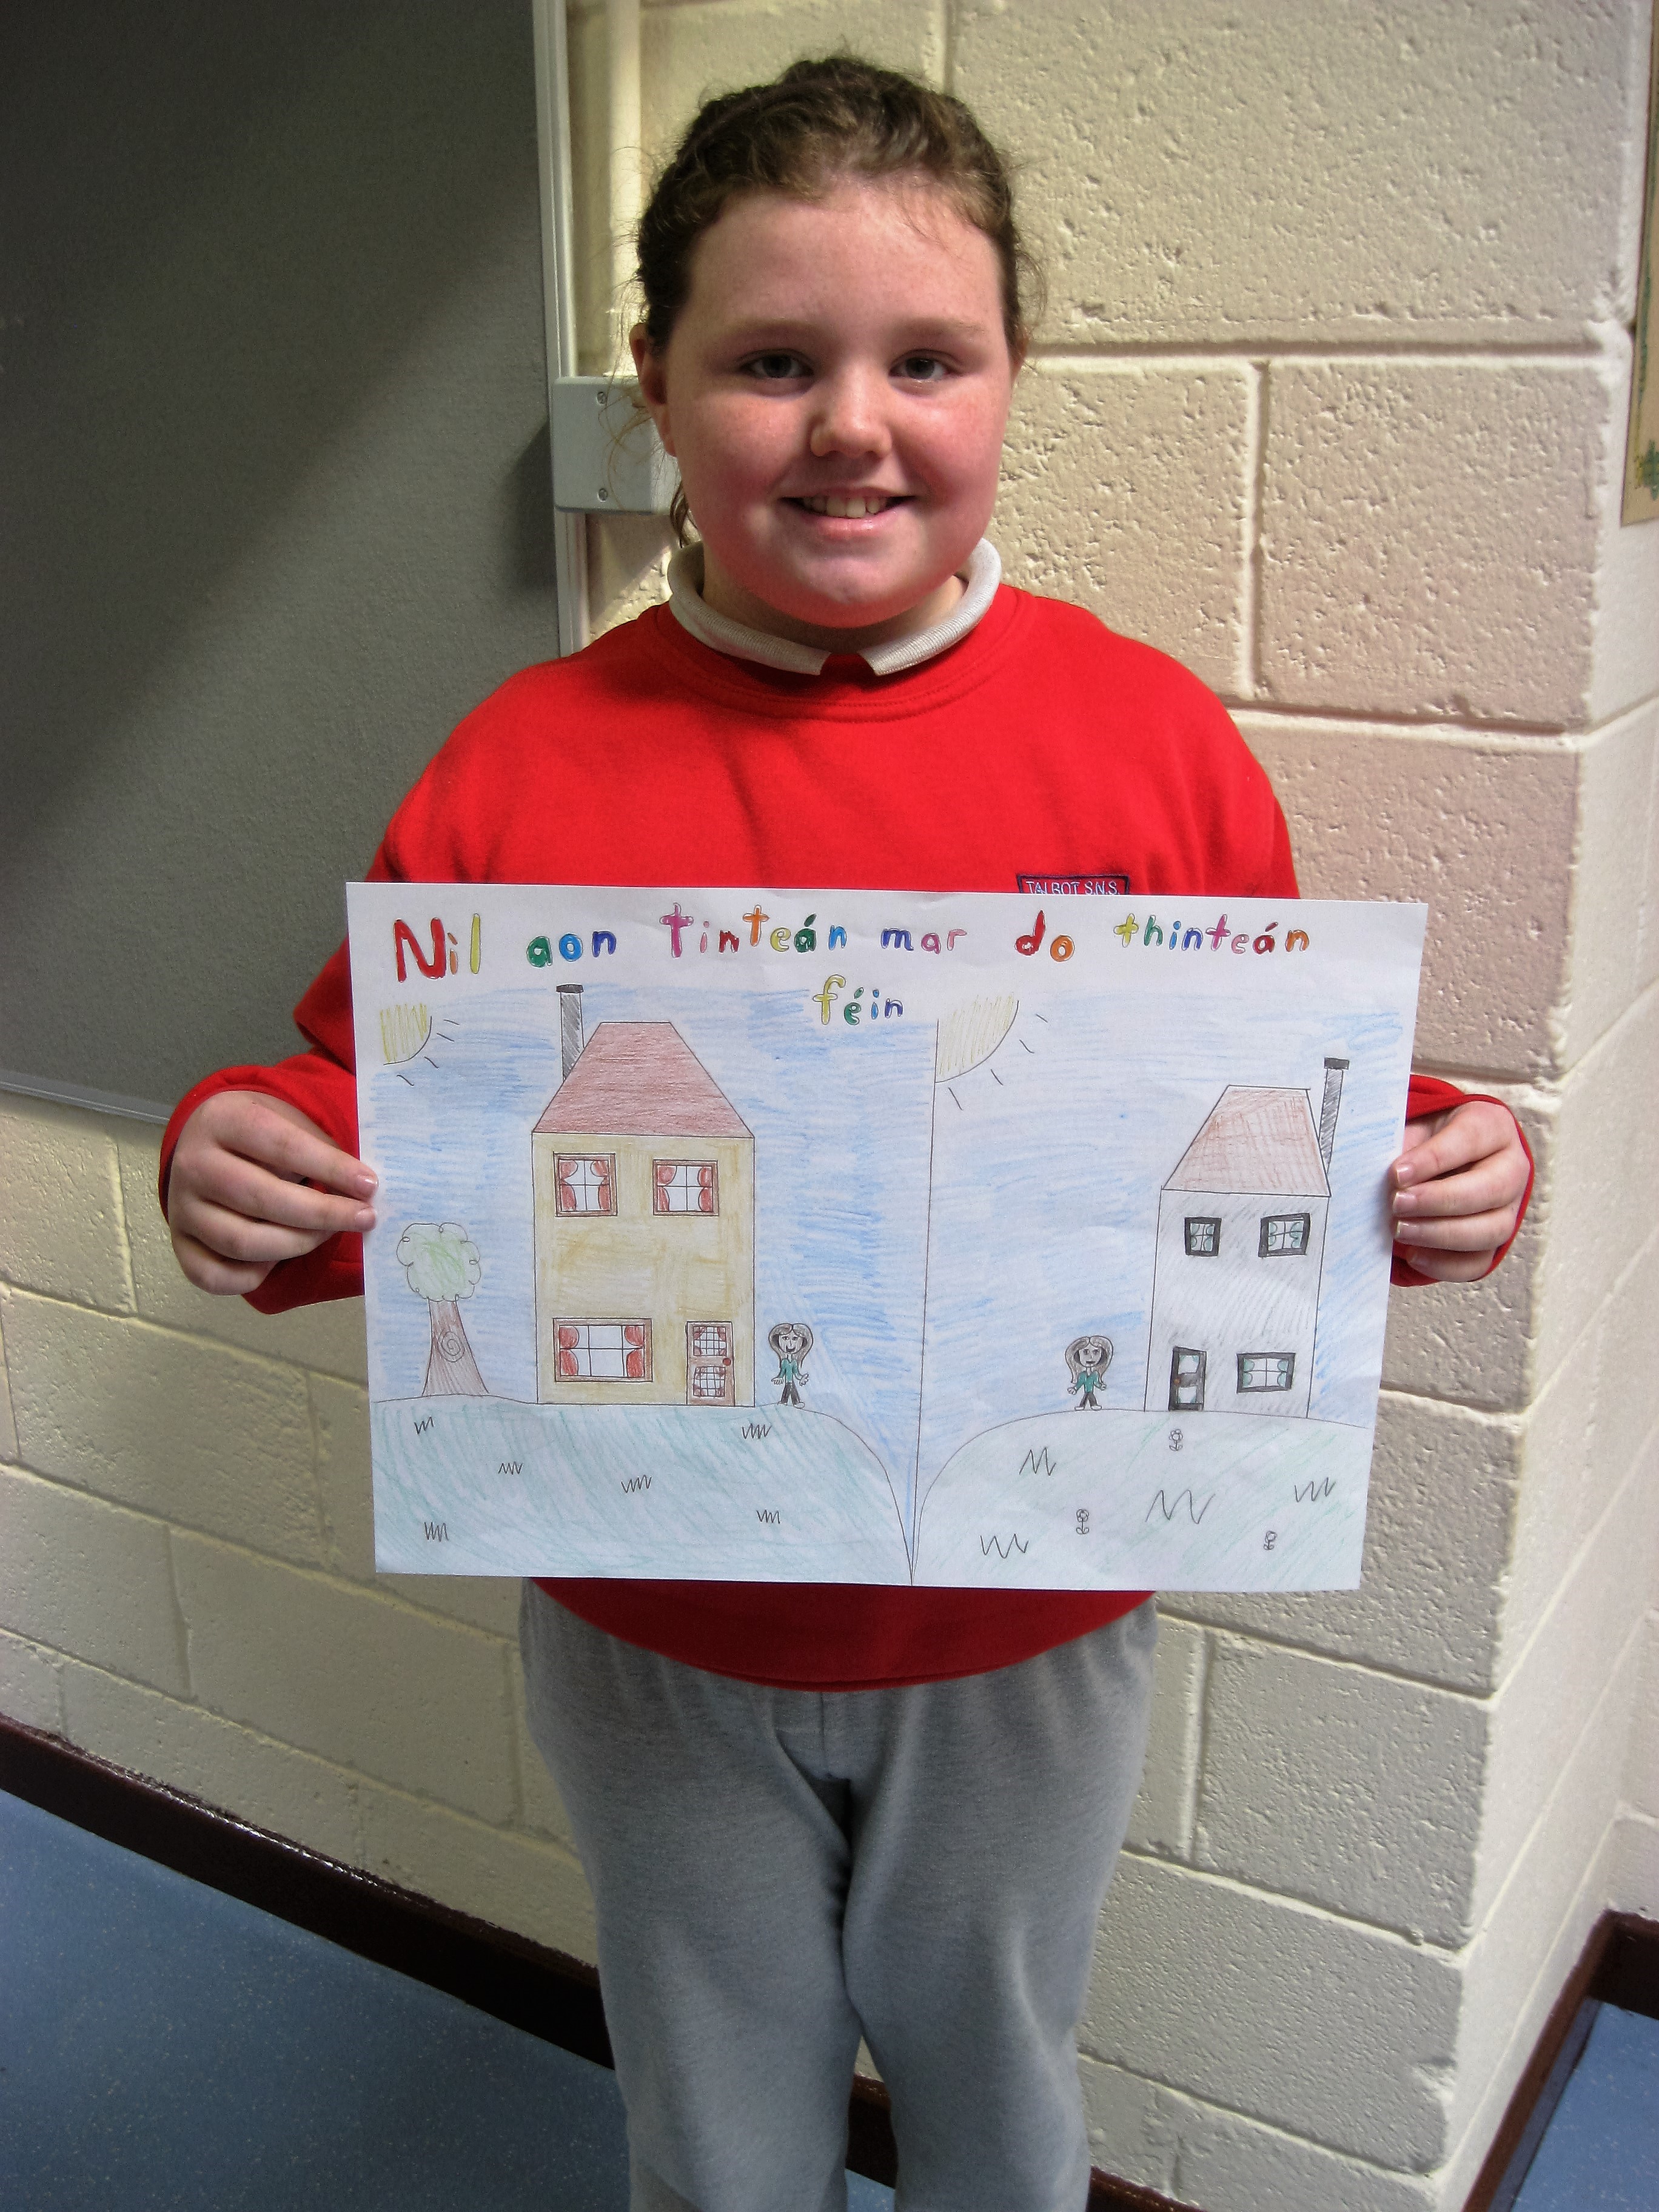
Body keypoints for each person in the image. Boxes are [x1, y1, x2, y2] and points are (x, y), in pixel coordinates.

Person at [161, 57, 1532, 2212]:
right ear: (657, 382)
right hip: (651, 1628)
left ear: (1012, 379)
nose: (853, 425)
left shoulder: (1151, 746)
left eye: (928, 360)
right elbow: (376, 1124)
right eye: (774, 362)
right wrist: (248, 1147)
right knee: (716, 2123)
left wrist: (1445, 1157)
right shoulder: (522, 763)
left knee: (999, 2086)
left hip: (1022, 1632)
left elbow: (1274, 1085)